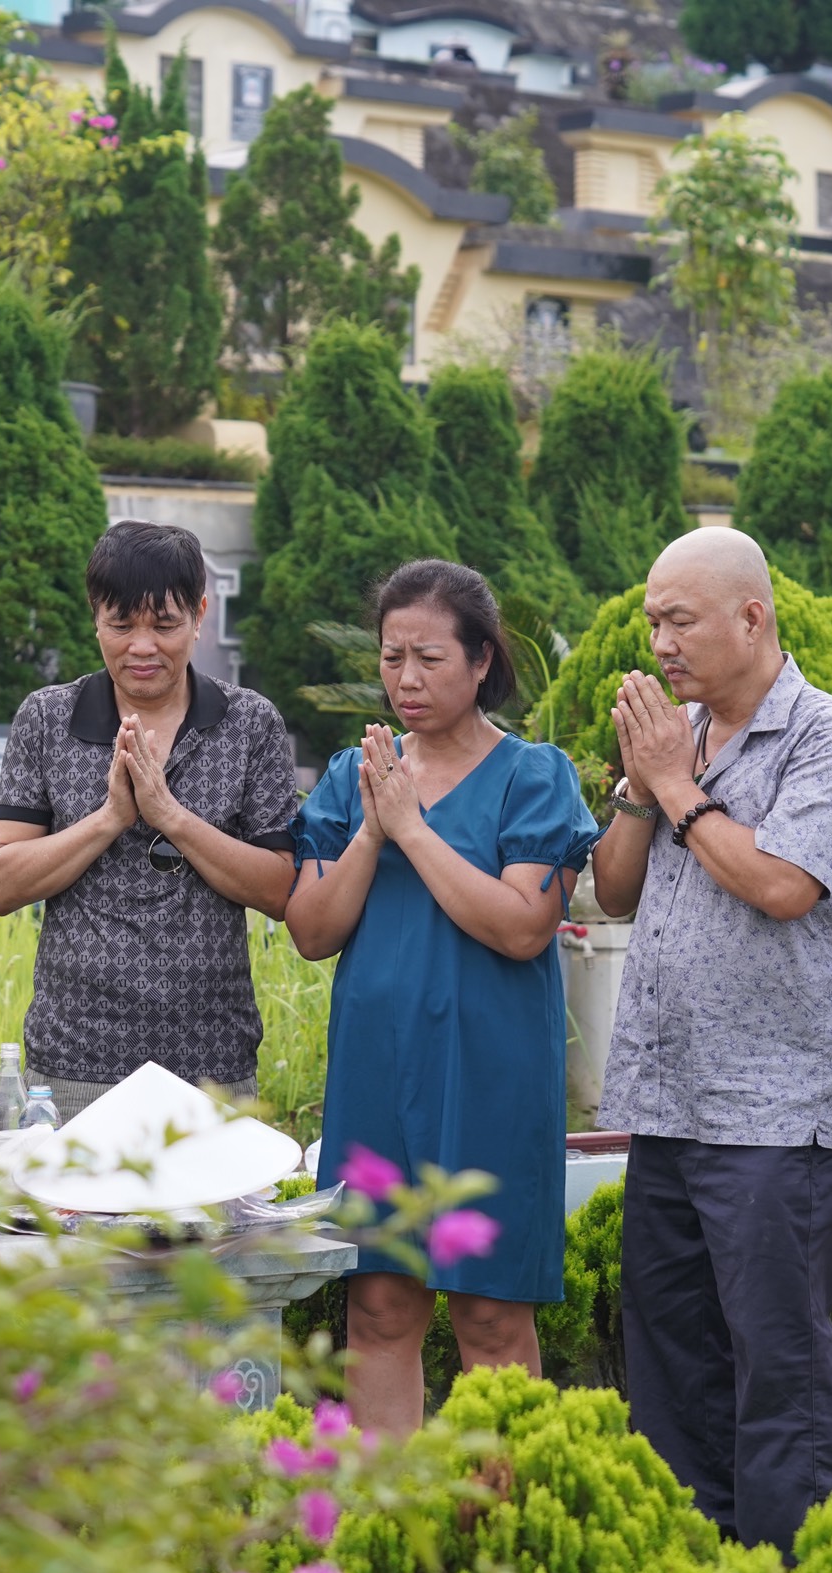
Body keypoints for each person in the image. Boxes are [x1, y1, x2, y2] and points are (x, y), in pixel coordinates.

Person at [593, 526, 832, 1555]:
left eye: (679, 619)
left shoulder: (825, 736)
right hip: (669, 1101)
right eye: (652, 621)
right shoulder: (685, 735)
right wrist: (641, 779)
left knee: (776, 1367)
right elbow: (614, 887)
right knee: (670, 1358)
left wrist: (676, 785)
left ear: (751, 617)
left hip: (771, 1113)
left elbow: (781, 884)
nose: (660, 642)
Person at [286, 559, 598, 1437]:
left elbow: (519, 927)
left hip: (489, 1077)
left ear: (482, 661)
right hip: (377, 1073)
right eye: (392, 659)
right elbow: (313, 931)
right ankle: (393, 1536)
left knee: (491, 1315)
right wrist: (371, 830)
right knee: (378, 1309)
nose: (407, 681)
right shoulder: (355, 776)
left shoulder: (533, 776)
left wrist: (412, 831)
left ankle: (500, 1537)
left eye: (429, 658)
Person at [0, 521, 299, 1122]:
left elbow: (282, 889)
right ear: (95, 616)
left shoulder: (250, 723)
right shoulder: (49, 717)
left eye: (165, 624)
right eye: (121, 625)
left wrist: (171, 817)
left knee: (210, 1221)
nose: (142, 647)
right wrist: (109, 819)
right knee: (75, 1220)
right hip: (74, 1064)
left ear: (201, 614)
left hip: (212, 1068)